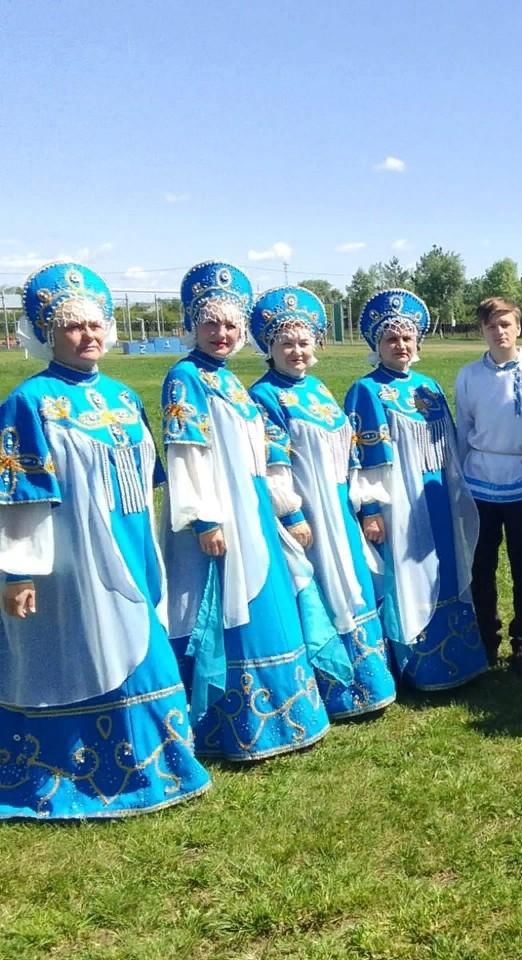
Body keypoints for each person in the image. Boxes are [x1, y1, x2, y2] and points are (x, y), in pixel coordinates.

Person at [0, 262, 211, 819]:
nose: (87, 336)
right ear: (46, 334)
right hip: (76, 556)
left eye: (95, 325)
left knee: (146, 640)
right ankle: (92, 772)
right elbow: (21, 489)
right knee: (96, 652)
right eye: (72, 327)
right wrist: (19, 570)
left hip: (133, 540)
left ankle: (163, 763)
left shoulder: (121, 397)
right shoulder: (31, 401)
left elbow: (149, 478)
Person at [162, 261, 334, 760]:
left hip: (252, 509)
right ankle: (230, 722)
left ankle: (283, 715)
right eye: (211, 324)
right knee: (225, 612)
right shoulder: (186, 378)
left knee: (264, 601)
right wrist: (205, 518)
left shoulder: (230, 381)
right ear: (193, 325)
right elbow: (186, 452)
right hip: (220, 516)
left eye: (231, 325)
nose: (222, 333)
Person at [248, 286, 396, 720]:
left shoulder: (319, 390)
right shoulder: (266, 397)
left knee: (355, 582)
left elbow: (349, 454)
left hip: (339, 508)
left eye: (302, 342)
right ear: (269, 348)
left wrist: (366, 506)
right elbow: (273, 464)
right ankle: (338, 687)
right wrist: (290, 512)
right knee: (324, 586)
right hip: (309, 510)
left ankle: (372, 677)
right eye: (286, 344)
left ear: (316, 345)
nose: (296, 351)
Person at [345, 289, 488, 691]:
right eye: (392, 339)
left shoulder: (428, 387)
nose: (401, 346)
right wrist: (371, 508)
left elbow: (450, 447)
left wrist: (459, 492)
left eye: (407, 338)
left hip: (438, 495)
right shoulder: (367, 390)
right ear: (378, 345)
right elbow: (364, 456)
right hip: (400, 500)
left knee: (446, 568)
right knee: (408, 572)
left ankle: (458, 656)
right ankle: (417, 662)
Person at [454, 297, 522, 676]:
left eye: (506, 324)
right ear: (482, 330)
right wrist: (461, 483)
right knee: (482, 566)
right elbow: (464, 430)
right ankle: (486, 636)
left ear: (519, 327)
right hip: (481, 480)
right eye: (492, 326)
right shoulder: (468, 376)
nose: (500, 332)